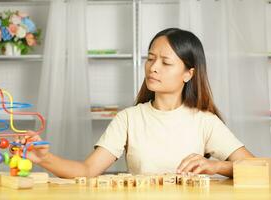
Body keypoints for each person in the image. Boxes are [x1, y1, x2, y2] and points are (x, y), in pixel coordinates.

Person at [25, 28, 253, 178]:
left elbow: (262, 168)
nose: (153, 67)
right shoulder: (128, 118)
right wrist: (45, 158)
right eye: (151, 58)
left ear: (188, 74)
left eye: (165, 62)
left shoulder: (205, 122)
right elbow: (87, 170)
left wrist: (217, 166)